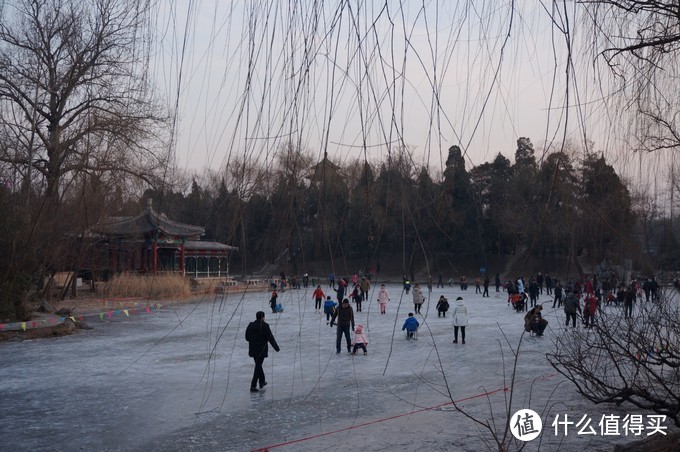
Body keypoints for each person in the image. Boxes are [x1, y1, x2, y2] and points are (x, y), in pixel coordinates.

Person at [245, 311, 280, 393]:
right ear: (263, 317)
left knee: (258, 365)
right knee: (258, 365)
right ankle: (253, 385)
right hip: (261, 350)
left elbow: (247, 338)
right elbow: (270, 338)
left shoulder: (250, 325)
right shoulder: (264, 326)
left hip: (253, 349)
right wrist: (276, 348)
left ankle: (262, 381)